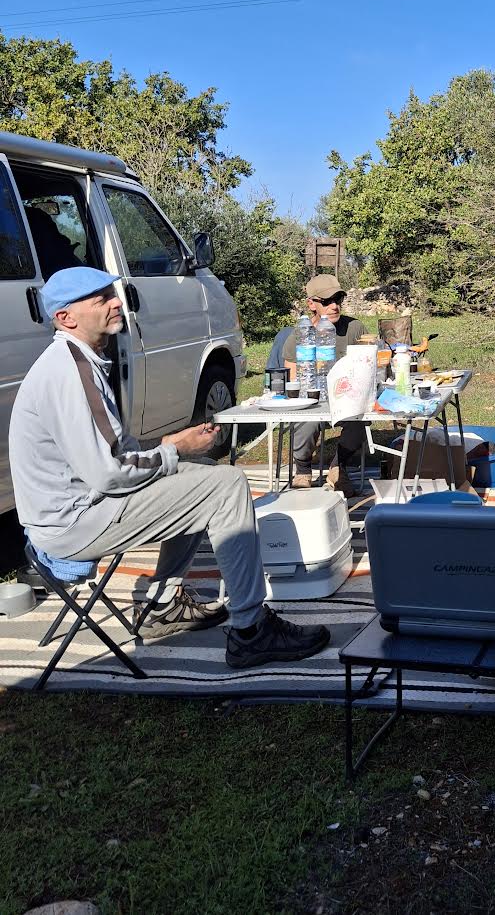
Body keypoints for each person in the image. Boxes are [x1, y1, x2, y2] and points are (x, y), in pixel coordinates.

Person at [10, 266, 332, 669]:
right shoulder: (70, 371)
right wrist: (173, 448)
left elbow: (115, 452)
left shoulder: (78, 360)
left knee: (203, 474)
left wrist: (173, 447)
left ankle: (162, 606)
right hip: (75, 522)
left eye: (112, 294)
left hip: (81, 506)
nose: (117, 303)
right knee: (227, 485)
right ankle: (251, 631)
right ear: (66, 317)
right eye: (101, 299)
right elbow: (110, 472)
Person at [266, 274, 366, 490]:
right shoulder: (299, 336)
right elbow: (293, 381)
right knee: (306, 417)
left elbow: (367, 365)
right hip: (312, 397)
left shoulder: (354, 328)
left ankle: (339, 467)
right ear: (311, 304)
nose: (334, 306)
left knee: (360, 415)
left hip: (347, 397)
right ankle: (303, 468)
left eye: (338, 300)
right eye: (327, 301)